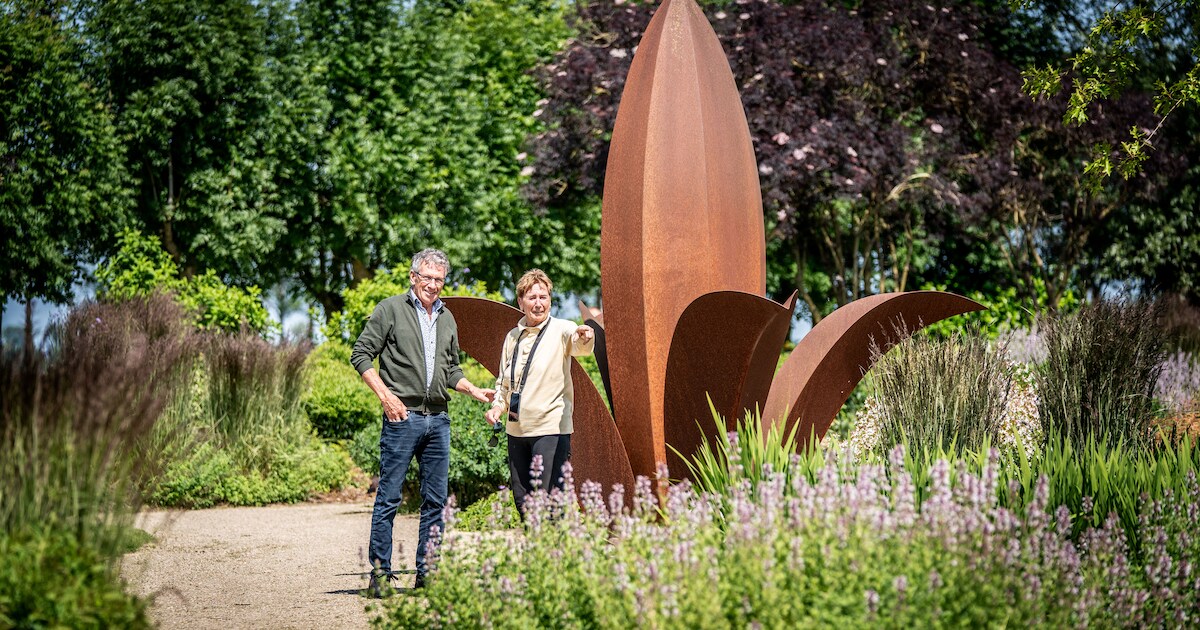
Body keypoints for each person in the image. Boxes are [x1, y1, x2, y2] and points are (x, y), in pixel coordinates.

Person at [350, 248, 493, 596]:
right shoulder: (390, 309)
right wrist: (386, 397)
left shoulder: (447, 318)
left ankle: (427, 574)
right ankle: (380, 576)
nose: (432, 284)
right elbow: (361, 354)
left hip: (438, 420)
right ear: (413, 277)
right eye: (427, 277)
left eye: (439, 279)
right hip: (402, 418)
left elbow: (451, 369)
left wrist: (472, 389)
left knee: (435, 502)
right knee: (389, 498)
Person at [484, 269, 594, 517]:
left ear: (550, 301)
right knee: (522, 499)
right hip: (516, 429)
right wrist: (497, 407)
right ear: (520, 302)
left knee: (549, 500)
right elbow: (504, 381)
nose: (538, 303)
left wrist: (585, 336)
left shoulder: (562, 329)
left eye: (543, 297)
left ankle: (555, 542)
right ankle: (534, 542)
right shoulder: (512, 337)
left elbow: (579, 344)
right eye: (532, 297)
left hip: (550, 429)